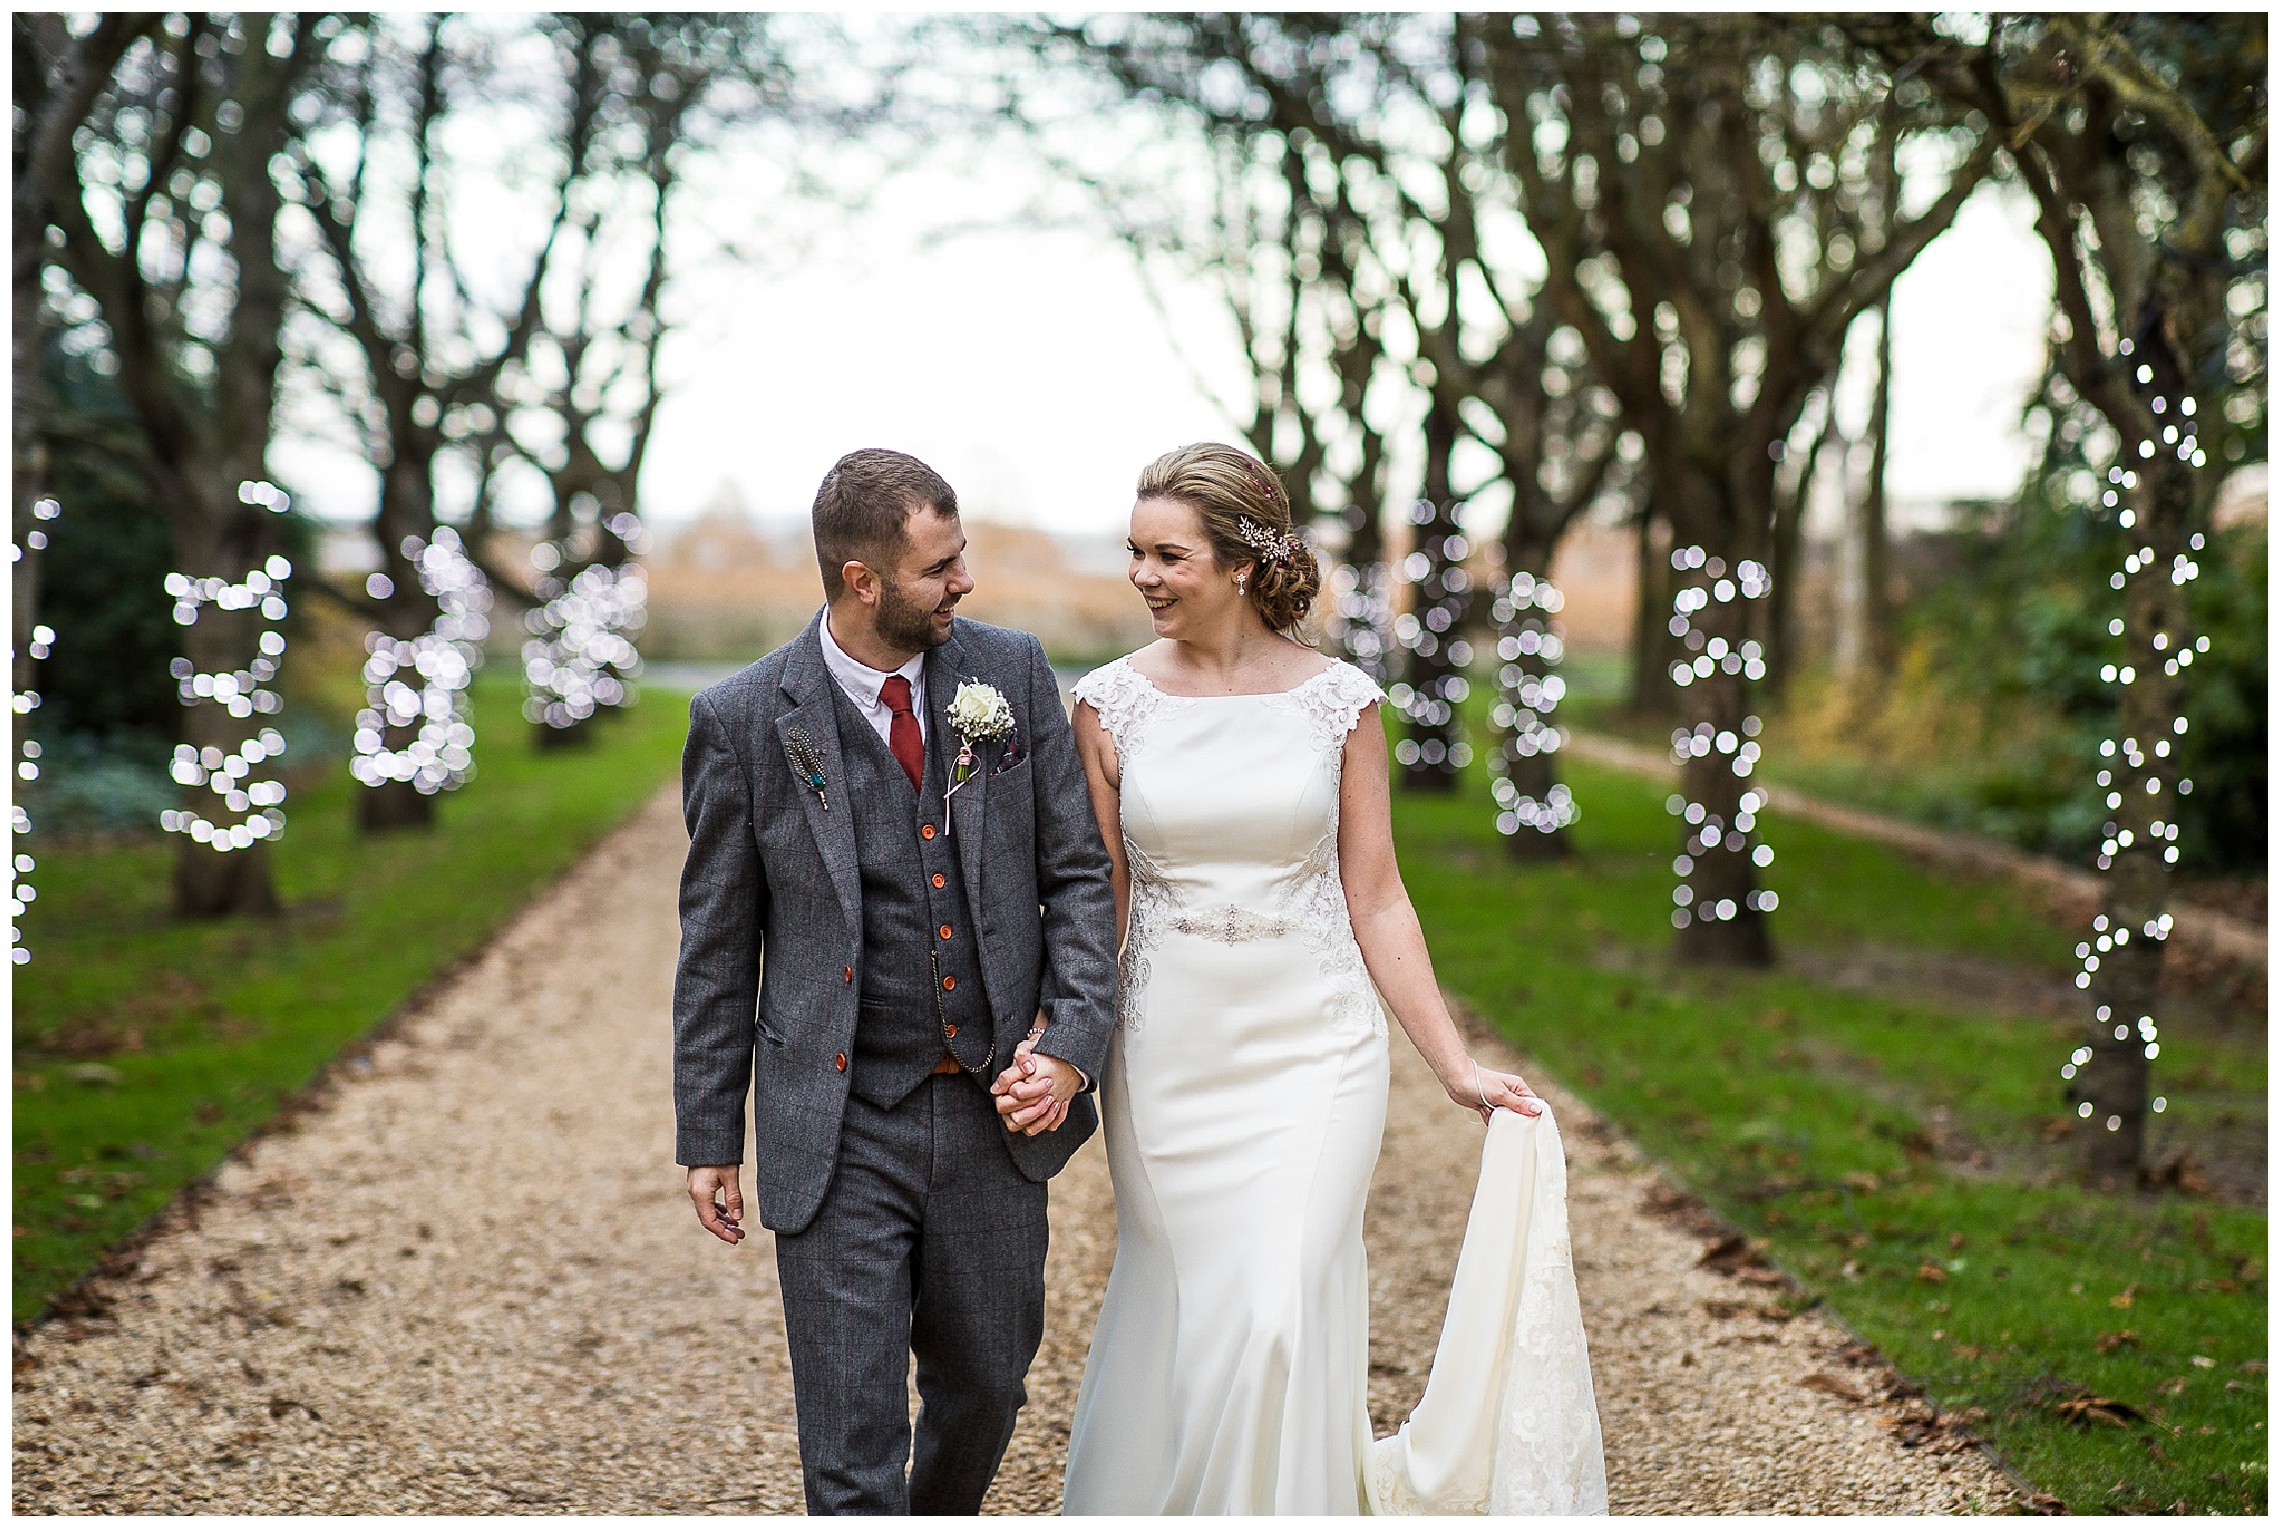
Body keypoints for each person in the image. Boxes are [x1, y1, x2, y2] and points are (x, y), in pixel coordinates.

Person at [1060, 442, 1603, 1515]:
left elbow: (1379, 894)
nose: (1143, 575)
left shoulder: (1340, 701)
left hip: (1317, 1048)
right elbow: (1100, 898)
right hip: (1169, 1049)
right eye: (1135, 552)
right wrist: (1063, 1042)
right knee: (1186, 1302)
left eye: (1168, 555)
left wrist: (1452, 1064)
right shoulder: (1109, 703)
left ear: (1244, 564)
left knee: (1277, 1307)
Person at [671, 447, 1117, 1515]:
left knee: (988, 1387)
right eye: (939, 567)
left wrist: (1069, 1041)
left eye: (960, 558)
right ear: (861, 580)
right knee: (849, 1436)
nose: (963, 581)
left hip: (986, 1109)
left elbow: (1079, 875)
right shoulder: (742, 720)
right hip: (839, 1120)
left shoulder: (1007, 675)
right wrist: (708, 1134)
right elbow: (718, 946)